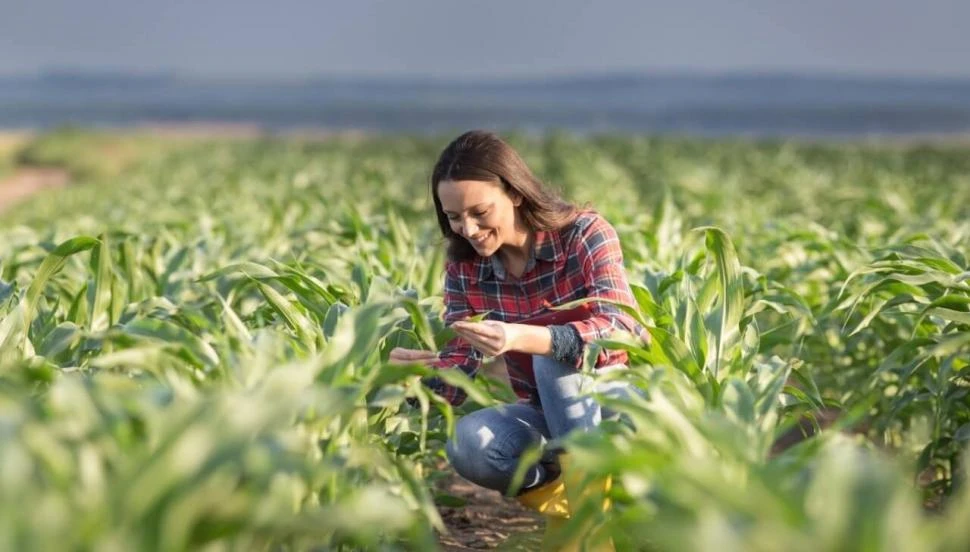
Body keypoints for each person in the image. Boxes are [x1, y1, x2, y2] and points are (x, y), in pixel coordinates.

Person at [389, 130, 645, 550]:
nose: (468, 228)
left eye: (480, 211)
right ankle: (579, 505)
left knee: (550, 356)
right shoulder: (466, 272)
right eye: (453, 217)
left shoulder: (583, 235)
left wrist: (524, 336)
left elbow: (622, 327)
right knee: (470, 444)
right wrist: (402, 377)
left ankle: (587, 533)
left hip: (620, 409)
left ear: (516, 193)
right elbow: (458, 371)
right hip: (550, 418)